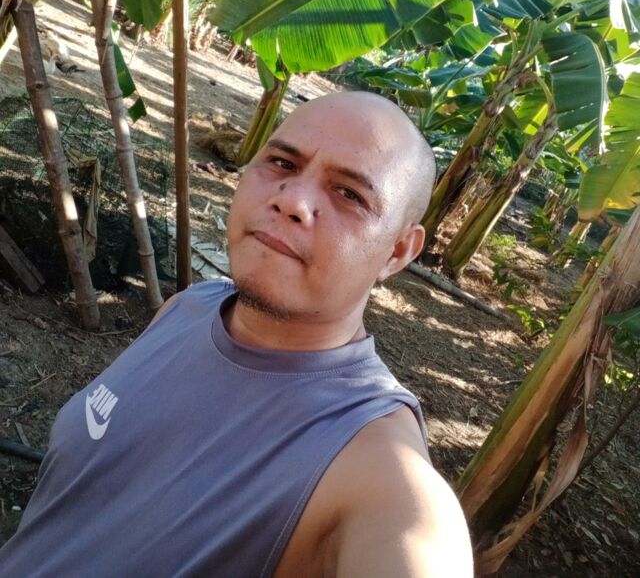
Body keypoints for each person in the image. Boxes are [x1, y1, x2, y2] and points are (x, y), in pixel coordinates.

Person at [0, 91, 473, 577]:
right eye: (283, 163)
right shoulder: (190, 307)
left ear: (398, 251)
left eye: (350, 194)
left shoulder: (374, 464)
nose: (292, 200)